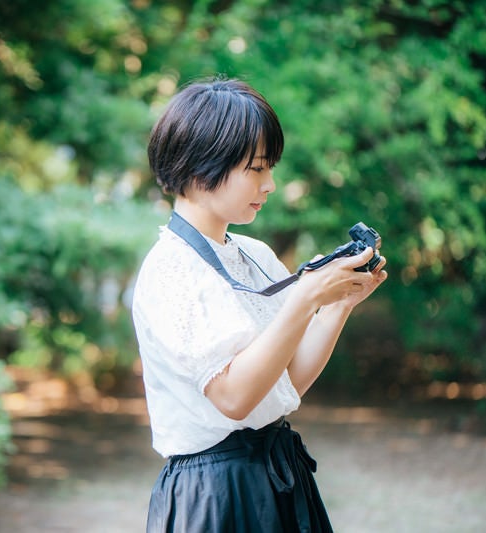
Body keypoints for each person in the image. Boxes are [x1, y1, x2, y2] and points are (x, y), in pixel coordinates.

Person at [131, 77, 388, 532]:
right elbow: (233, 397)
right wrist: (305, 296)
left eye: (269, 167)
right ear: (199, 167)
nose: (269, 184)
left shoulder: (254, 253)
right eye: (255, 168)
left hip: (275, 476)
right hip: (213, 493)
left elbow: (286, 383)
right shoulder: (169, 269)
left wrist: (336, 306)